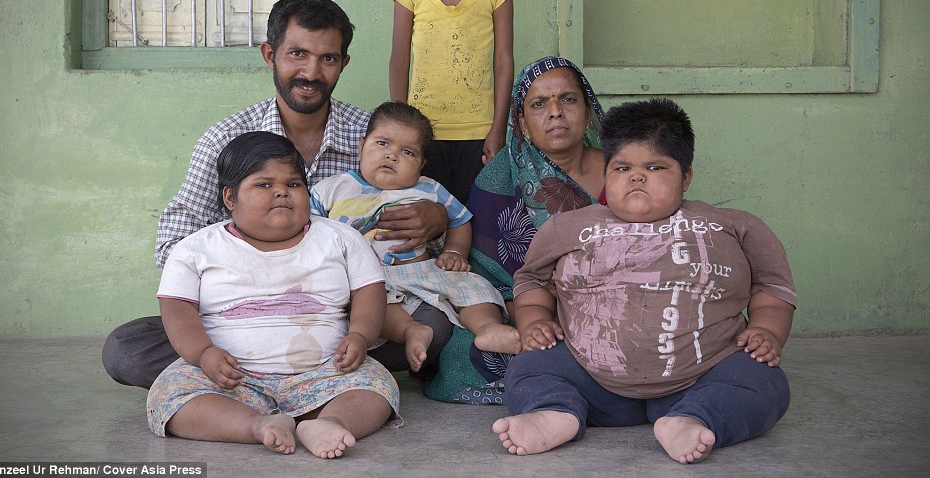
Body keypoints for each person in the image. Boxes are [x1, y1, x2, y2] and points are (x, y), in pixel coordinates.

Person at [103, 0, 452, 389]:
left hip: (339, 313)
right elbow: (174, 243)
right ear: (270, 54)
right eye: (297, 54)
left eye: (328, 58)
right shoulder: (227, 139)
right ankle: (293, 373)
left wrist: (437, 221)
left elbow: (426, 232)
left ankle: (276, 374)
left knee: (434, 326)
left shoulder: (375, 139)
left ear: (343, 63)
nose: (311, 72)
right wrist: (249, 277)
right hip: (240, 321)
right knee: (126, 348)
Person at [492, 98, 796, 463]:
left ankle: (694, 418)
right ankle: (554, 412)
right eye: (622, 168)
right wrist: (535, 321)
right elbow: (532, 283)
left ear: (686, 176)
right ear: (606, 175)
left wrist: (767, 330)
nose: (637, 176)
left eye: (655, 166)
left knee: (765, 382)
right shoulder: (568, 227)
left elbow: (772, 287)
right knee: (530, 366)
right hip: (589, 379)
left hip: (705, 375)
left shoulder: (733, 225)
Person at [148, 131, 399, 459]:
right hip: (231, 380)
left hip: (324, 372)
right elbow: (177, 309)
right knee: (170, 395)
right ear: (229, 198)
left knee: (377, 385)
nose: (282, 191)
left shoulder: (341, 239)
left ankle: (327, 422)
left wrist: (360, 335)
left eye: (294, 184)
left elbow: (369, 291)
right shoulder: (196, 250)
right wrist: (203, 354)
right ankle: (256, 426)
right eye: (264, 185)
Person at [423, 56, 606, 403]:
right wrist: (532, 314)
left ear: (587, 109)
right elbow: (488, 271)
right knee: (473, 345)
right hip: (522, 303)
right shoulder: (499, 177)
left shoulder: (622, 168)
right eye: (539, 104)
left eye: (568, 99)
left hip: (611, 298)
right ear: (521, 121)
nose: (555, 112)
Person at [311, 102, 521, 372]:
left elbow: (461, 219)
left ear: (421, 163)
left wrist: (454, 252)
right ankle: (412, 331)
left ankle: (487, 328)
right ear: (361, 146)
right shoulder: (333, 188)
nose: (392, 156)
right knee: (372, 306)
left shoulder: (429, 189)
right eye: (383, 144)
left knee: (472, 286)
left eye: (407, 151)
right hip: (367, 278)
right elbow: (310, 228)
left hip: (423, 270)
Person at [390, 0, 516, 205]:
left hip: (479, 130)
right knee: (426, 212)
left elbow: (503, 61)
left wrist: (498, 128)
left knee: (473, 213)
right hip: (423, 129)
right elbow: (399, 58)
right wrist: (402, 126)